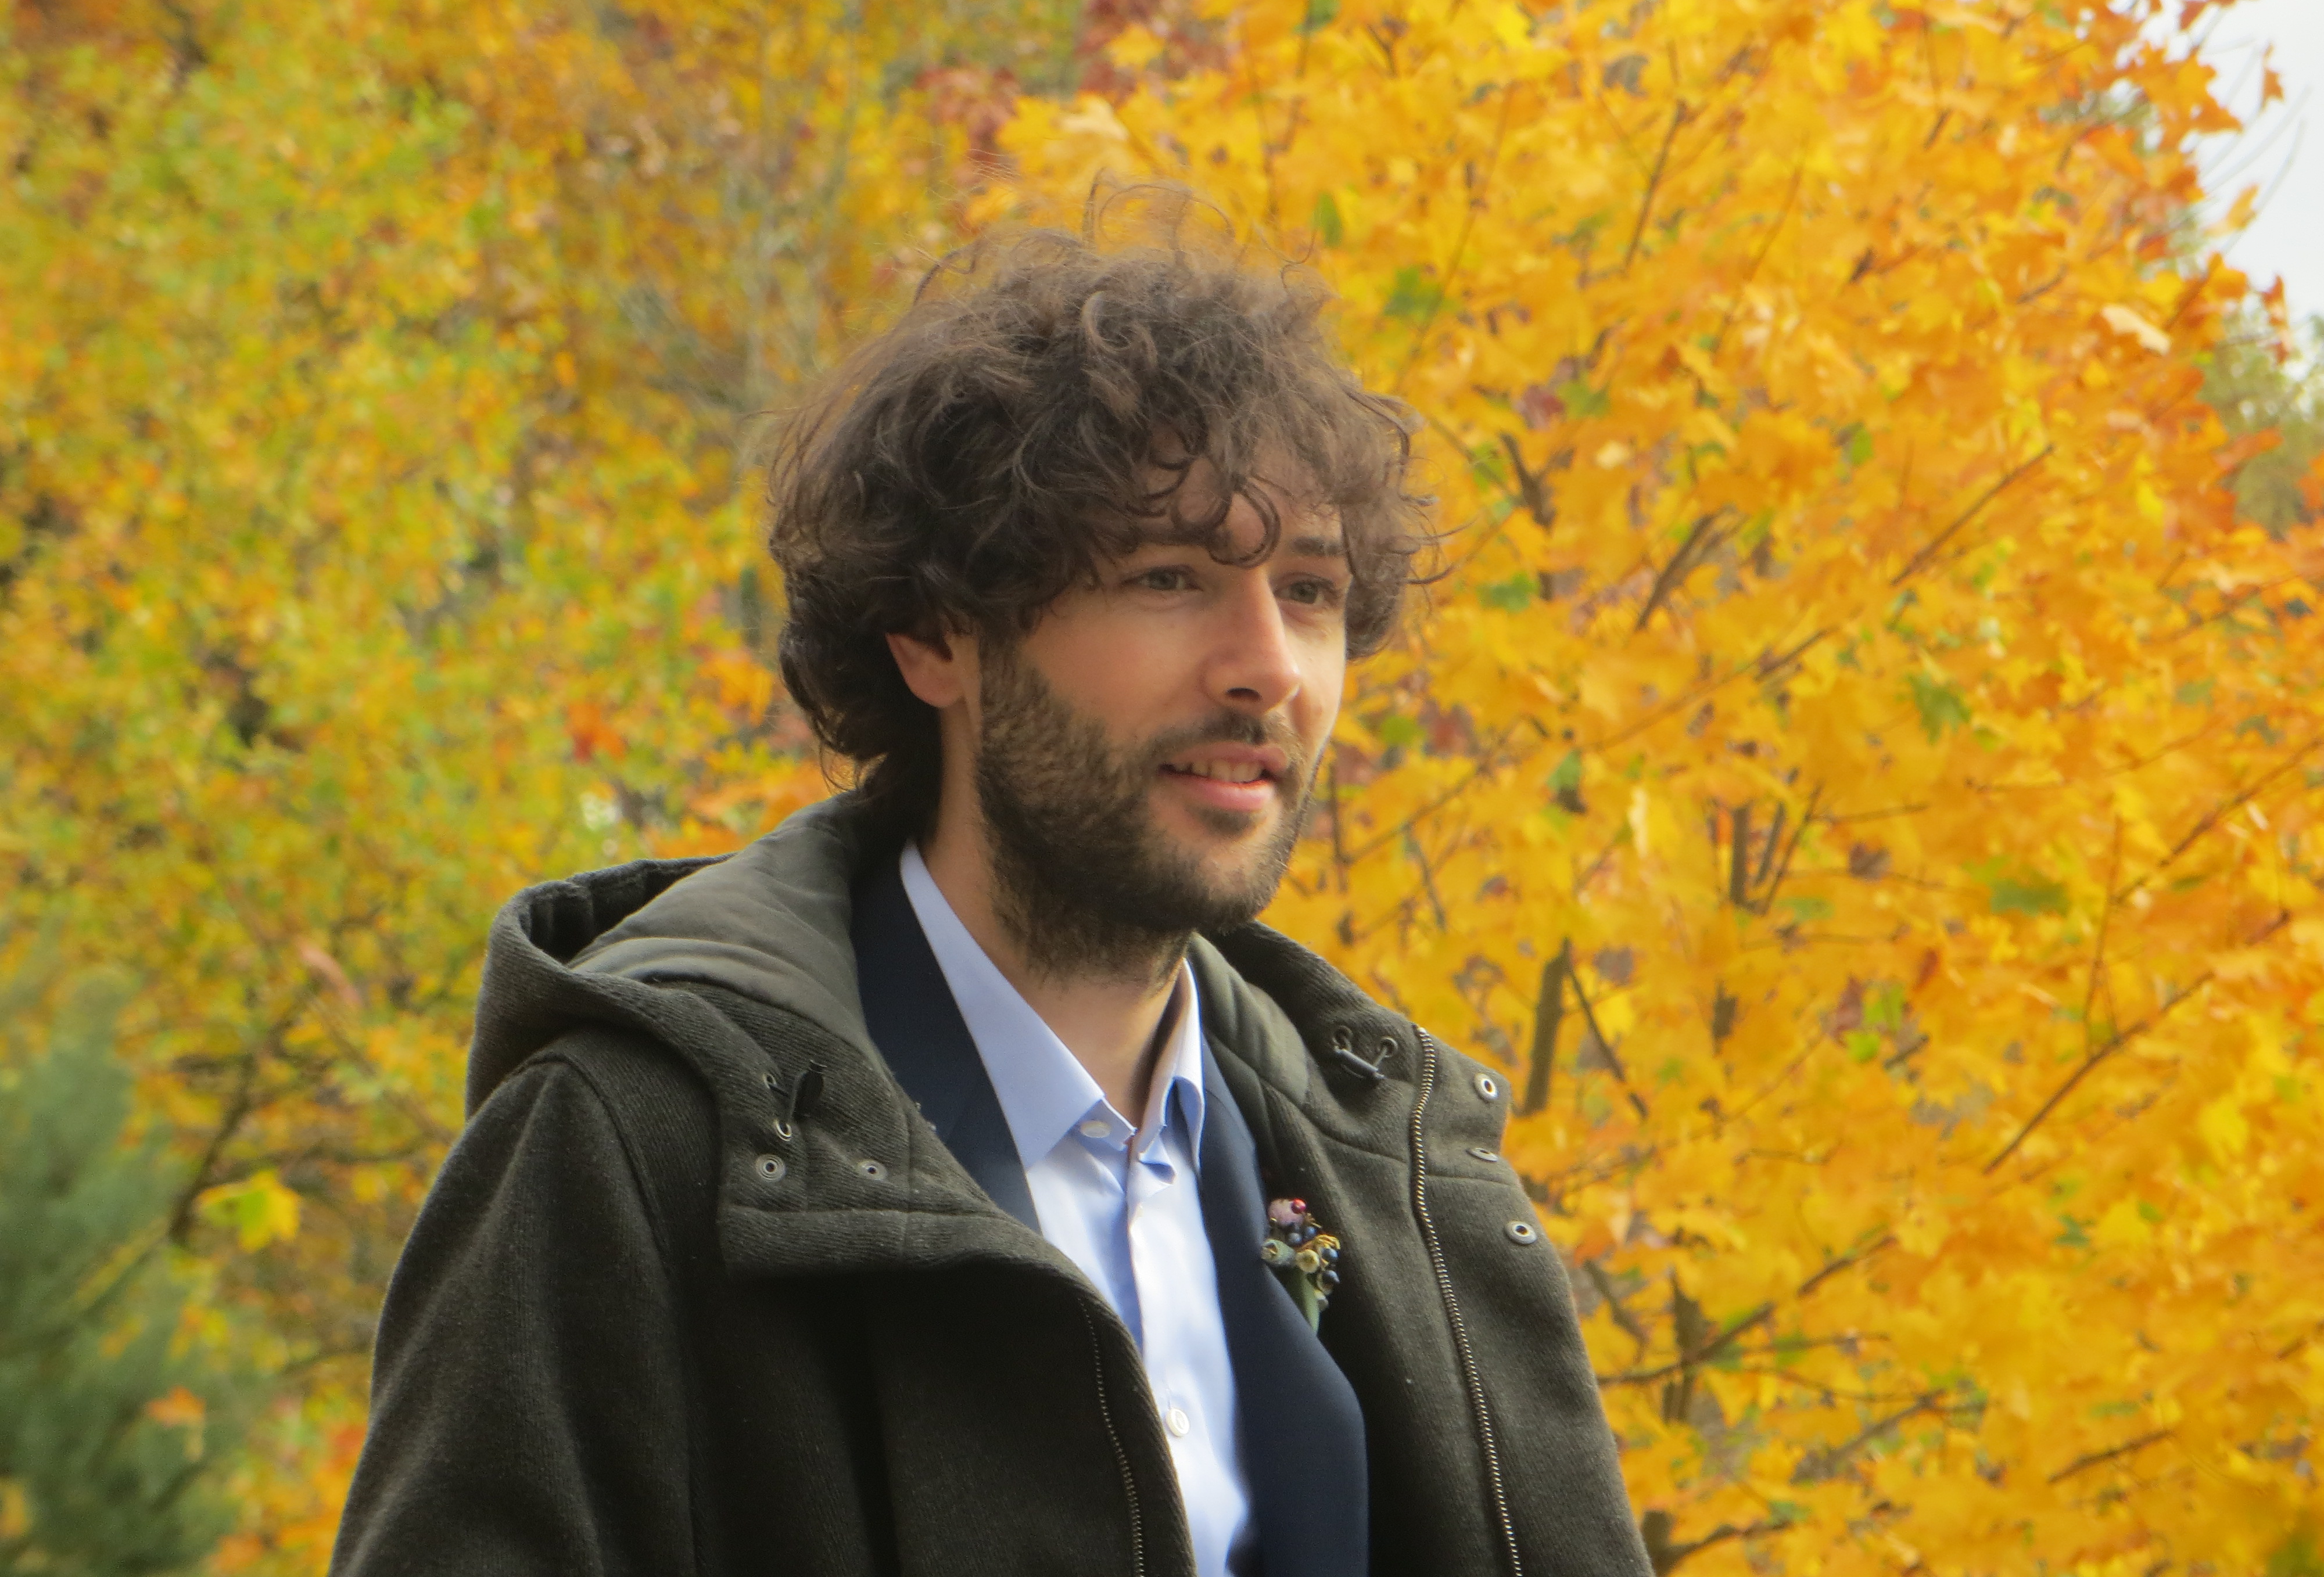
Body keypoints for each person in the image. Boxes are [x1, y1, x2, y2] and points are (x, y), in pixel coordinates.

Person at [331, 193, 1652, 1577]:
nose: (1267, 666)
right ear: (935, 638)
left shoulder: (1407, 1176)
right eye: (1168, 576)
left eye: (1310, 592)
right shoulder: (627, 1153)